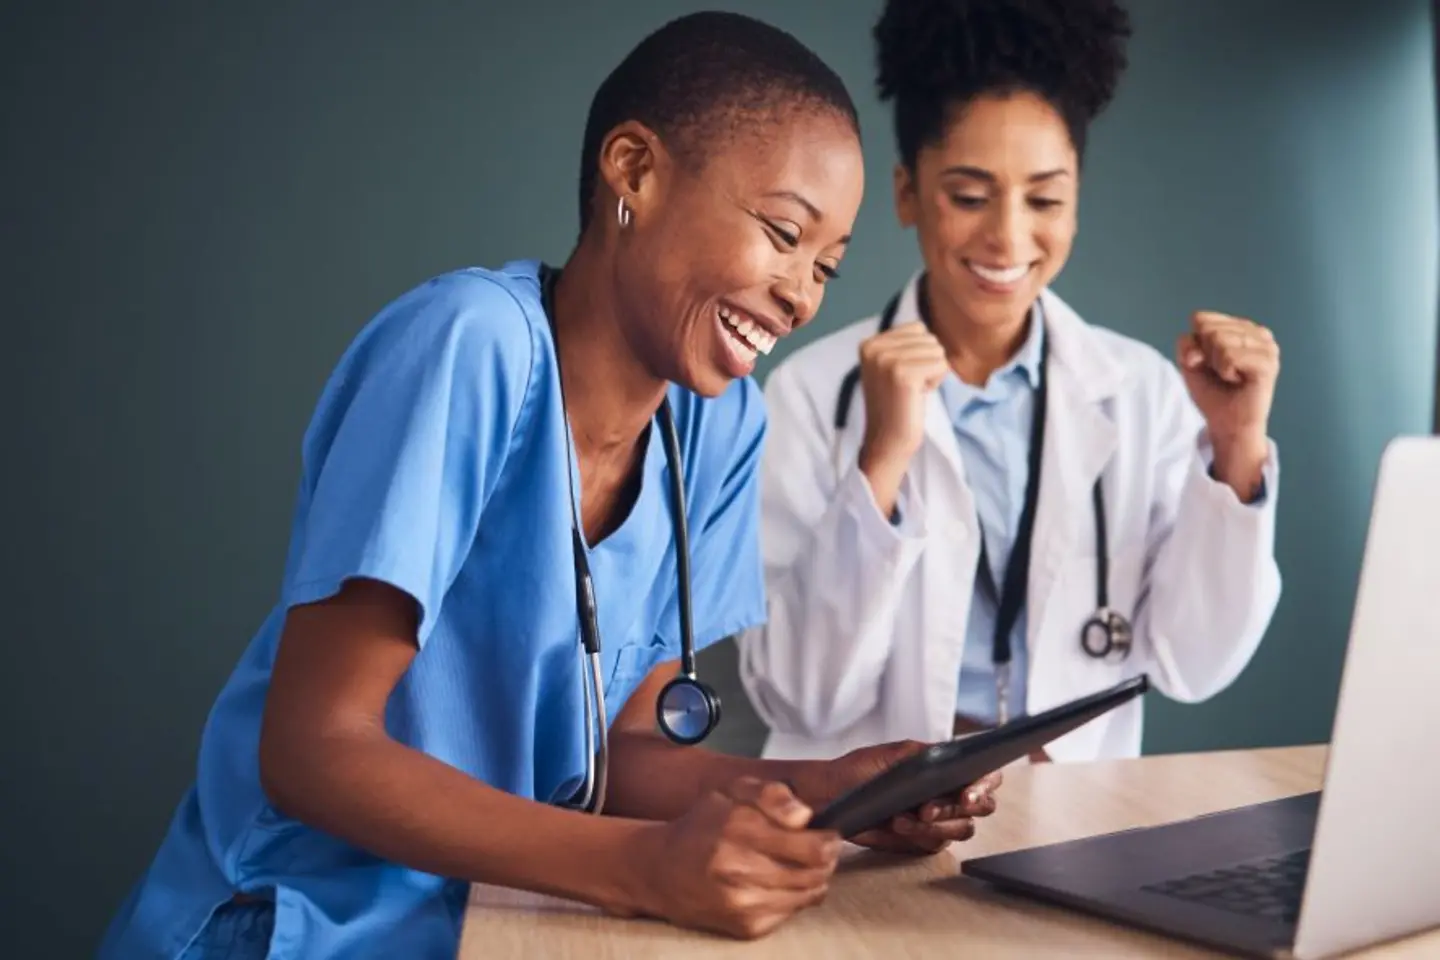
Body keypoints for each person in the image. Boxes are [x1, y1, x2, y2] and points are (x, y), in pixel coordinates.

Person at [97, 12, 1001, 960]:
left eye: (825, 267)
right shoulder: (469, 345)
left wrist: (833, 794)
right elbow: (313, 750)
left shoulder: (721, 425)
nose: (803, 295)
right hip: (294, 923)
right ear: (635, 171)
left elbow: (621, 761)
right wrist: (643, 870)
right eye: (782, 233)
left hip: (500, 921)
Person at [737, 0, 1282, 766]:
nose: (1008, 236)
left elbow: (1193, 664)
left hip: (1077, 823)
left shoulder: (1143, 392)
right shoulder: (808, 396)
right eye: (968, 196)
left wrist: (1235, 445)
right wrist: (882, 461)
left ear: (1078, 199)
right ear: (906, 193)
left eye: (1046, 198)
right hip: (871, 829)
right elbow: (797, 695)